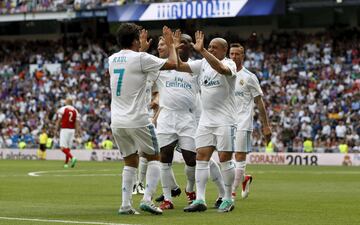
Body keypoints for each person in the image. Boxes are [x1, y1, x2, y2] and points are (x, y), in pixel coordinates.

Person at [108, 23, 177, 215]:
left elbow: (133, 69)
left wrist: (141, 50)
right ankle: (147, 199)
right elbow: (174, 63)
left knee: (130, 162)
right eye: (139, 37)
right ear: (135, 40)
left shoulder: (112, 59)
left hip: (117, 121)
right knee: (155, 156)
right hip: (138, 119)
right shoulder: (141, 58)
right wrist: (171, 44)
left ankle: (125, 205)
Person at [177, 31, 237, 213]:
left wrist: (202, 50)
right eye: (209, 47)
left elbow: (220, 69)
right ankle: (200, 199)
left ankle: (227, 198)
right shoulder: (202, 64)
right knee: (201, 158)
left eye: (214, 47)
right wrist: (173, 48)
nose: (210, 49)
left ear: (224, 50)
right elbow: (179, 66)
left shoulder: (229, 63)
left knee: (225, 159)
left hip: (225, 120)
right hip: (206, 119)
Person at [229, 43, 271, 199]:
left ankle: (230, 194)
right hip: (225, 121)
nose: (234, 57)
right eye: (231, 54)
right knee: (224, 159)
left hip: (242, 122)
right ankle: (244, 178)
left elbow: (259, 102)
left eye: (237, 54)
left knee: (239, 157)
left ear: (243, 56)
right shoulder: (224, 74)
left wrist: (266, 126)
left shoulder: (249, 77)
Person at [56, 98, 80, 168]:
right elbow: (77, 122)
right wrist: (77, 132)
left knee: (62, 148)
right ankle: (66, 164)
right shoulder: (75, 110)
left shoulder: (63, 109)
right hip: (72, 130)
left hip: (65, 129)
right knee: (68, 148)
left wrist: (56, 129)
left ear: (67, 102)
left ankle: (72, 158)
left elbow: (59, 120)